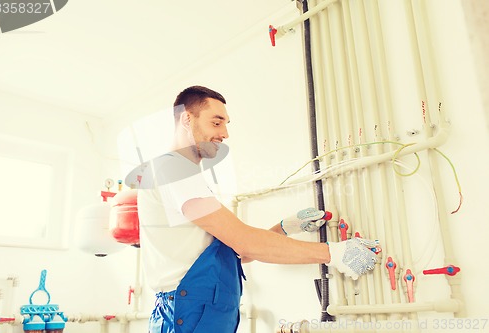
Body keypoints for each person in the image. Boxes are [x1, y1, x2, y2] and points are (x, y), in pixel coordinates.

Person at [134, 86, 378, 333]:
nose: (225, 133)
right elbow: (244, 243)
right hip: (187, 311)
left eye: (226, 124)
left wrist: (284, 228)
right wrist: (332, 253)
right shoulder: (175, 169)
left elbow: (232, 252)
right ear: (187, 118)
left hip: (194, 311)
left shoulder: (180, 173)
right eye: (216, 123)